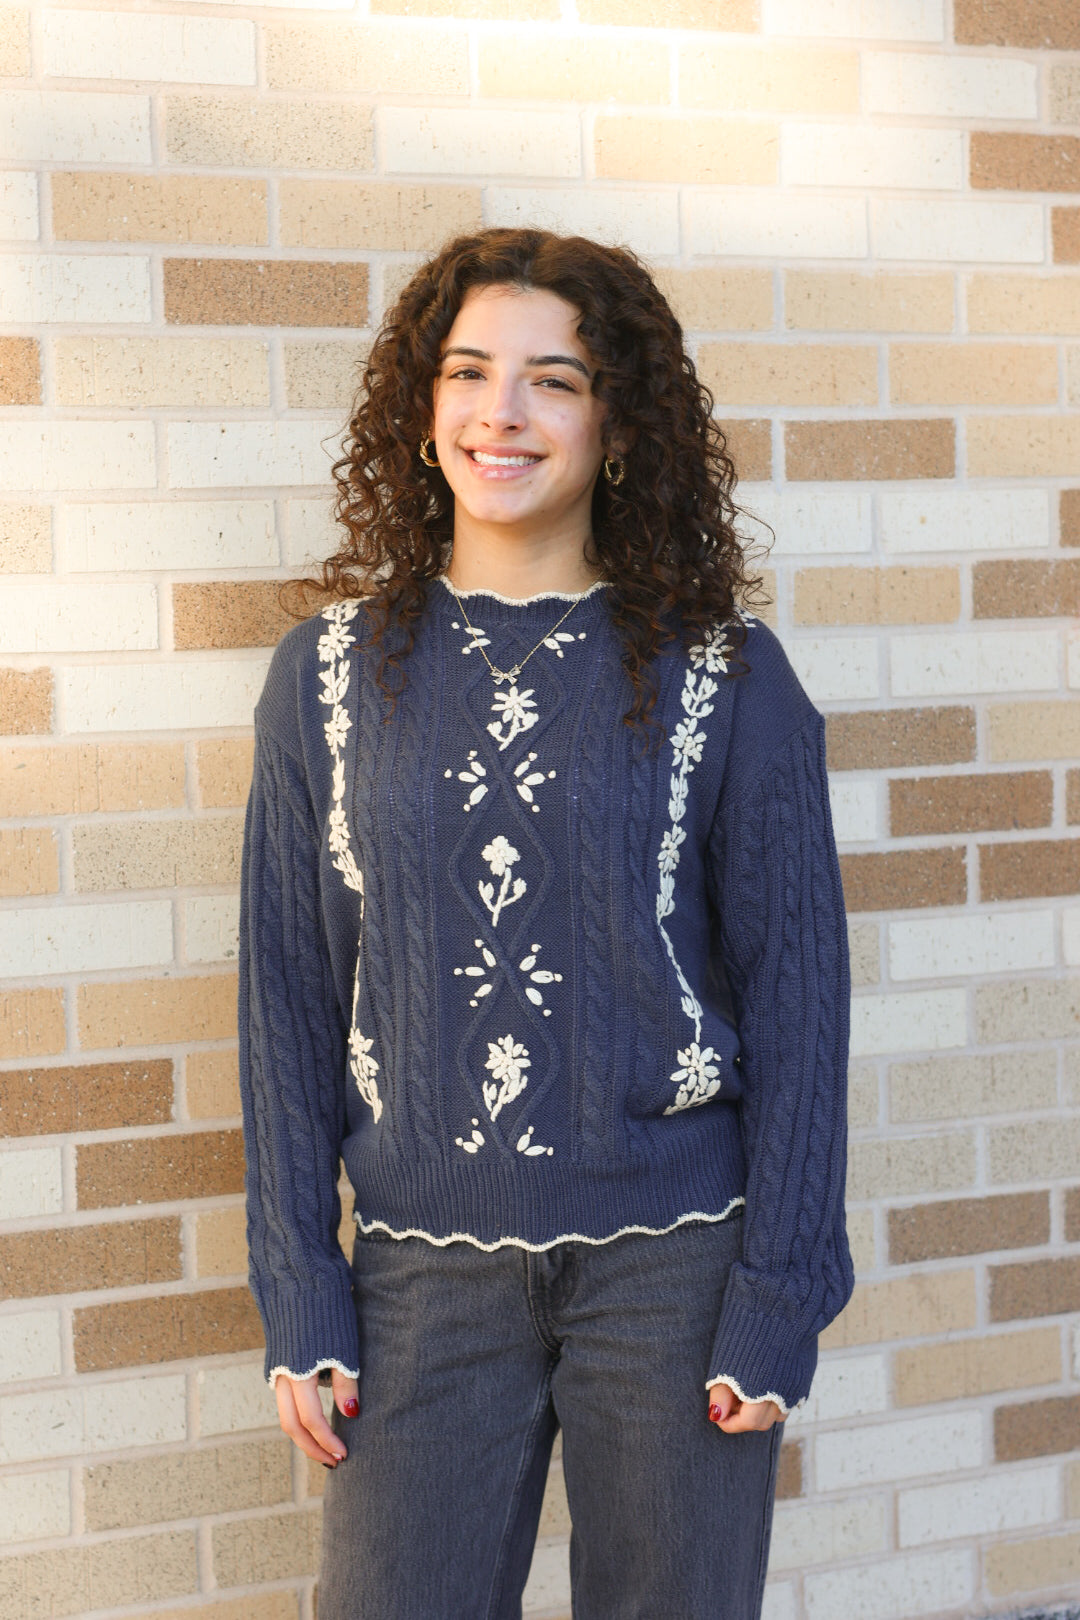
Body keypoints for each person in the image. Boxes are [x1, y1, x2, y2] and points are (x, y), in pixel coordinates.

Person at [237, 226, 855, 1620]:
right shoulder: (327, 679)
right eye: (468, 372)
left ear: (617, 422)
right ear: (423, 405)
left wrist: (782, 1292)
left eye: (553, 380)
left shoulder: (725, 678)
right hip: (419, 1281)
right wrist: (300, 1284)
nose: (500, 413)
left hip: (679, 1275)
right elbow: (283, 997)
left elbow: (801, 998)